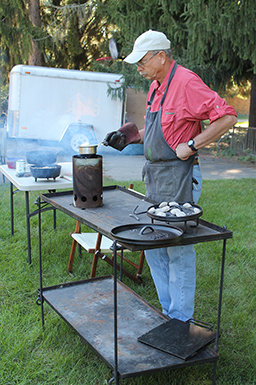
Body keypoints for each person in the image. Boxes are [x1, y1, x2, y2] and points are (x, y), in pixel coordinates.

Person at [103, 30, 237, 322]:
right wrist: (127, 137)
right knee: (153, 246)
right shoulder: (155, 85)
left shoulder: (187, 82)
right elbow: (156, 130)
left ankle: (180, 320)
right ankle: (167, 313)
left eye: (142, 61)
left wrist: (192, 145)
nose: (138, 67)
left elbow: (227, 116)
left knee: (177, 249)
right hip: (155, 176)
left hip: (181, 177)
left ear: (161, 56)